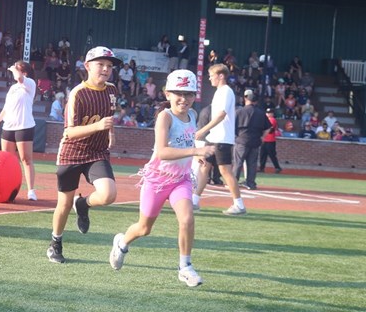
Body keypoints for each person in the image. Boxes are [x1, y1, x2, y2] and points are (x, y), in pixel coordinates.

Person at [108, 70, 214, 287]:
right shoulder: (165, 117)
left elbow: (187, 140)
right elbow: (163, 152)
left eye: (188, 94)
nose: (183, 99)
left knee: (187, 219)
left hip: (181, 179)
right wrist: (196, 151)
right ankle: (121, 243)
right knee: (144, 228)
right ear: (167, 94)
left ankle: (185, 267)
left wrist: (196, 154)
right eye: (178, 93)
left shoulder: (193, 115)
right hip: (157, 180)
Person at [46, 46, 121, 264]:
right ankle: (55, 243)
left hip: (97, 152)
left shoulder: (112, 90)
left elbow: (109, 117)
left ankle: (83, 204)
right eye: (101, 64)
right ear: (87, 66)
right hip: (72, 152)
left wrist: (111, 133)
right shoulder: (78, 93)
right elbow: (69, 132)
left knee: (108, 195)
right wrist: (98, 126)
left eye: (109, 66)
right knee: (64, 203)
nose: (105, 69)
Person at [195, 63, 246, 216]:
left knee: (225, 171)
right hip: (214, 137)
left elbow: (221, 115)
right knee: (204, 167)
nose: (210, 78)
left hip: (222, 138)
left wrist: (203, 130)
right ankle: (194, 201)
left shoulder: (226, 91)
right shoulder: (219, 92)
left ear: (221, 76)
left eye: (212, 75)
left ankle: (239, 205)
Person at [0, 61, 38, 201]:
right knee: (8, 160)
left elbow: (19, 77)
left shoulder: (30, 83)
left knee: (26, 159)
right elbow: (7, 107)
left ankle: (31, 191)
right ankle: (9, 189)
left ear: (24, 72)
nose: (13, 70)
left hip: (24, 126)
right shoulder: (13, 88)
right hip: (8, 126)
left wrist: (14, 69)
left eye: (17, 68)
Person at [232, 90, 271, 191]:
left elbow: (232, 126)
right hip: (255, 141)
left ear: (245, 98)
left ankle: (234, 183)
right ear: (255, 101)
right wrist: (262, 137)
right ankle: (251, 183)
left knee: (238, 163)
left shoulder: (239, 111)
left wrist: (235, 136)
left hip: (241, 140)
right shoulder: (261, 113)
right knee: (252, 164)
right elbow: (268, 127)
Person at [259, 108, 283, 173]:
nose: (268, 114)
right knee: (263, 155)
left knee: (272, 155)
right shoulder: (266, 120)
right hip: (265, 140)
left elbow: (270, 130)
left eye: (269, 113)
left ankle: (277, 167)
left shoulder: (272, 120)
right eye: (267, 113)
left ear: (272, 113)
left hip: (270, 140)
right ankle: (262, 168)